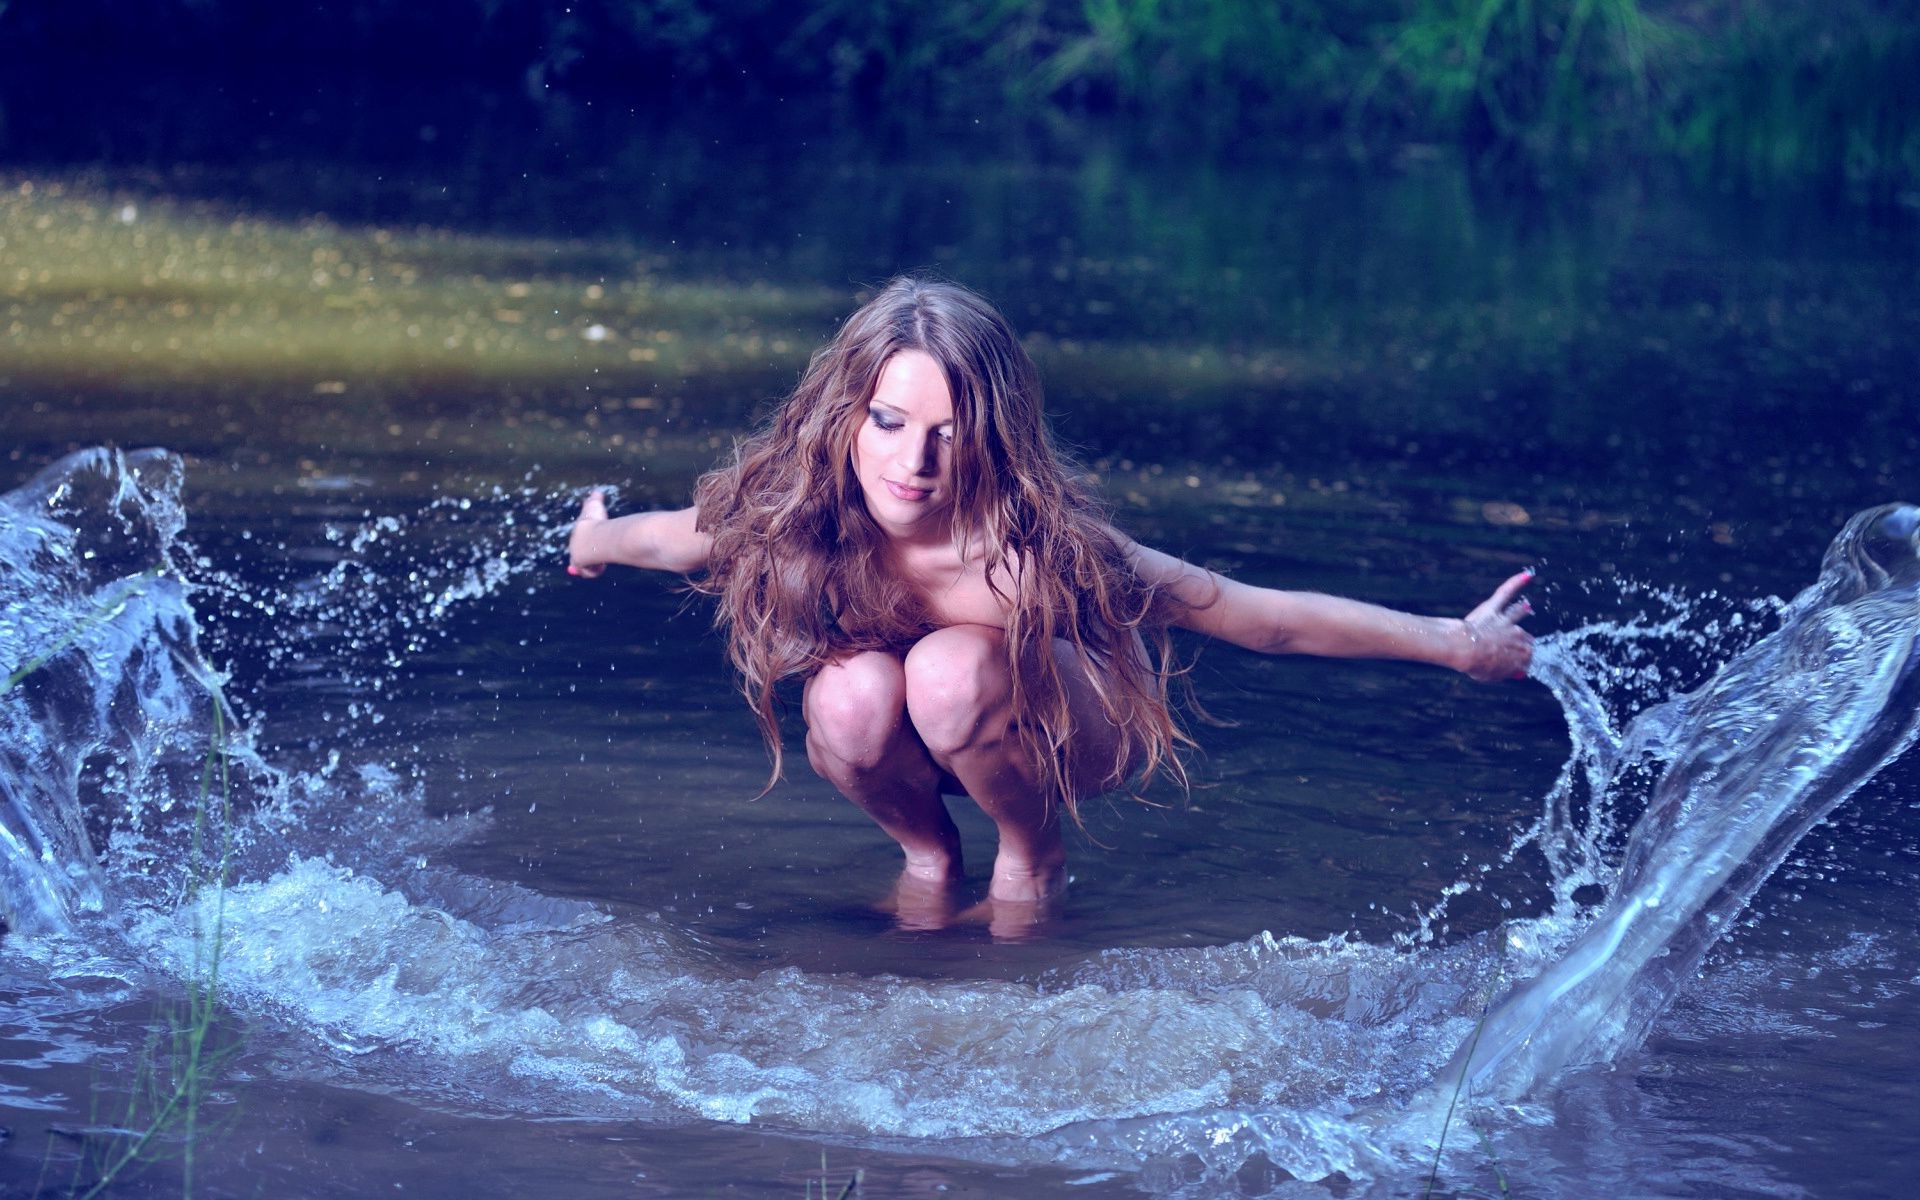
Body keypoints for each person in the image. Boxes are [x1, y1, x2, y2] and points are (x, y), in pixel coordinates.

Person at [567, 276, 1532, 923]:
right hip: (931, 738)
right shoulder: (795, 511)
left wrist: (1458, 641)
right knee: (846, 695)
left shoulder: (1037, 554)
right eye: (891, 421)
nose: (914, 462)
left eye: (951, 432)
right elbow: (668, 535)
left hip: (1069, 728)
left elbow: (1258, 615)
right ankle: (932, 860)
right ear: (844, 415)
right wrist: (594, 539)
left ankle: (1032, 861)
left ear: (994, 436)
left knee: (947, 670)